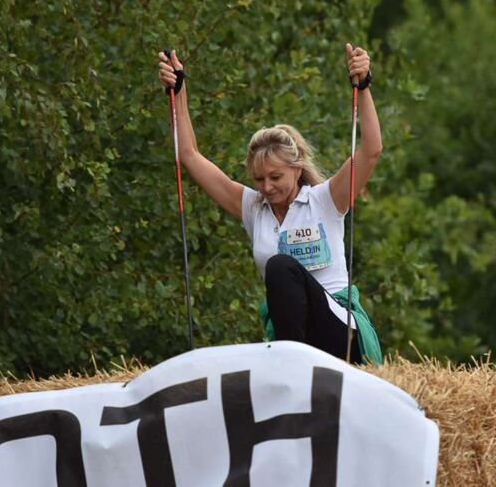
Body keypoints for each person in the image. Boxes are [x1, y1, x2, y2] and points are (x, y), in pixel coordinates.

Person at [157, 44, 382, 364]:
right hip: (293, 333)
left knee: (280, 266)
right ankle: (290, 368)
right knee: (279, 273)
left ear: (297, 168)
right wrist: (178, 91)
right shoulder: (253, 208)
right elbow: (189, 156)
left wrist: (364, 85)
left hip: (338, 331)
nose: (266, 187)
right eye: (258, 179)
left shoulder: (325, 199)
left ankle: (291, 365)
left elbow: (371, 149)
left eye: (275, 177)